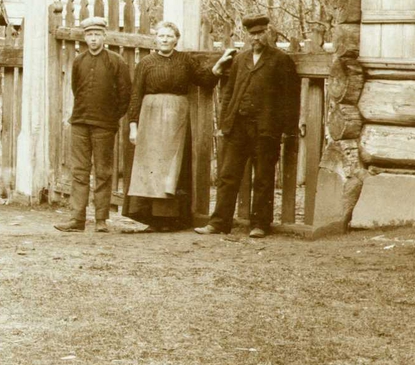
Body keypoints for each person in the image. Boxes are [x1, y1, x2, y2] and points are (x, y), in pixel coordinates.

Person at [196, 14, 300, 239]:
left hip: (266, 129)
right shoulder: (240, 60)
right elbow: (229, 92)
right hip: (238, 127)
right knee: (228, 175)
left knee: (263, 176)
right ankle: (219, 222)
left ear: (268, 33)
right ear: (247, 35)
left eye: (261, 33)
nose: (257, 38)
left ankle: (260, 224)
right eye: (252, 34)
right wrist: (225, 122)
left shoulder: (280, 60)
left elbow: (290, 98)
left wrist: (287, 129)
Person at [122, 20, 230, 232]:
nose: (165, 40)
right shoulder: (145, 63)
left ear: (176, 40)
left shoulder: (185, 60)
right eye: (161, 36)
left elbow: (204, 79)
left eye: (169, 36)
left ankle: (170, 220)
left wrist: (218, 67)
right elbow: (135, 96)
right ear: (156, 38)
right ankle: (152, 219)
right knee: (151, 168)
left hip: (176, 117)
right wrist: (133, 125)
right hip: (150, 117)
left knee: (173, 168)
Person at [54, 15, 132, 233]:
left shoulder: (116, 61)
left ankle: (101, 220)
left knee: (103, 172)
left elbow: (125, 95)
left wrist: (110, 118)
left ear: (104, 36)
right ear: (85, 37)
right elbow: (76, 88)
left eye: (97, 34)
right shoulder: (79, 61)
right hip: (79, 122)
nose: (93, 39)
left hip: (104, 126)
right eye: (89, 35)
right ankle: (77, 219)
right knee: (79, 171)